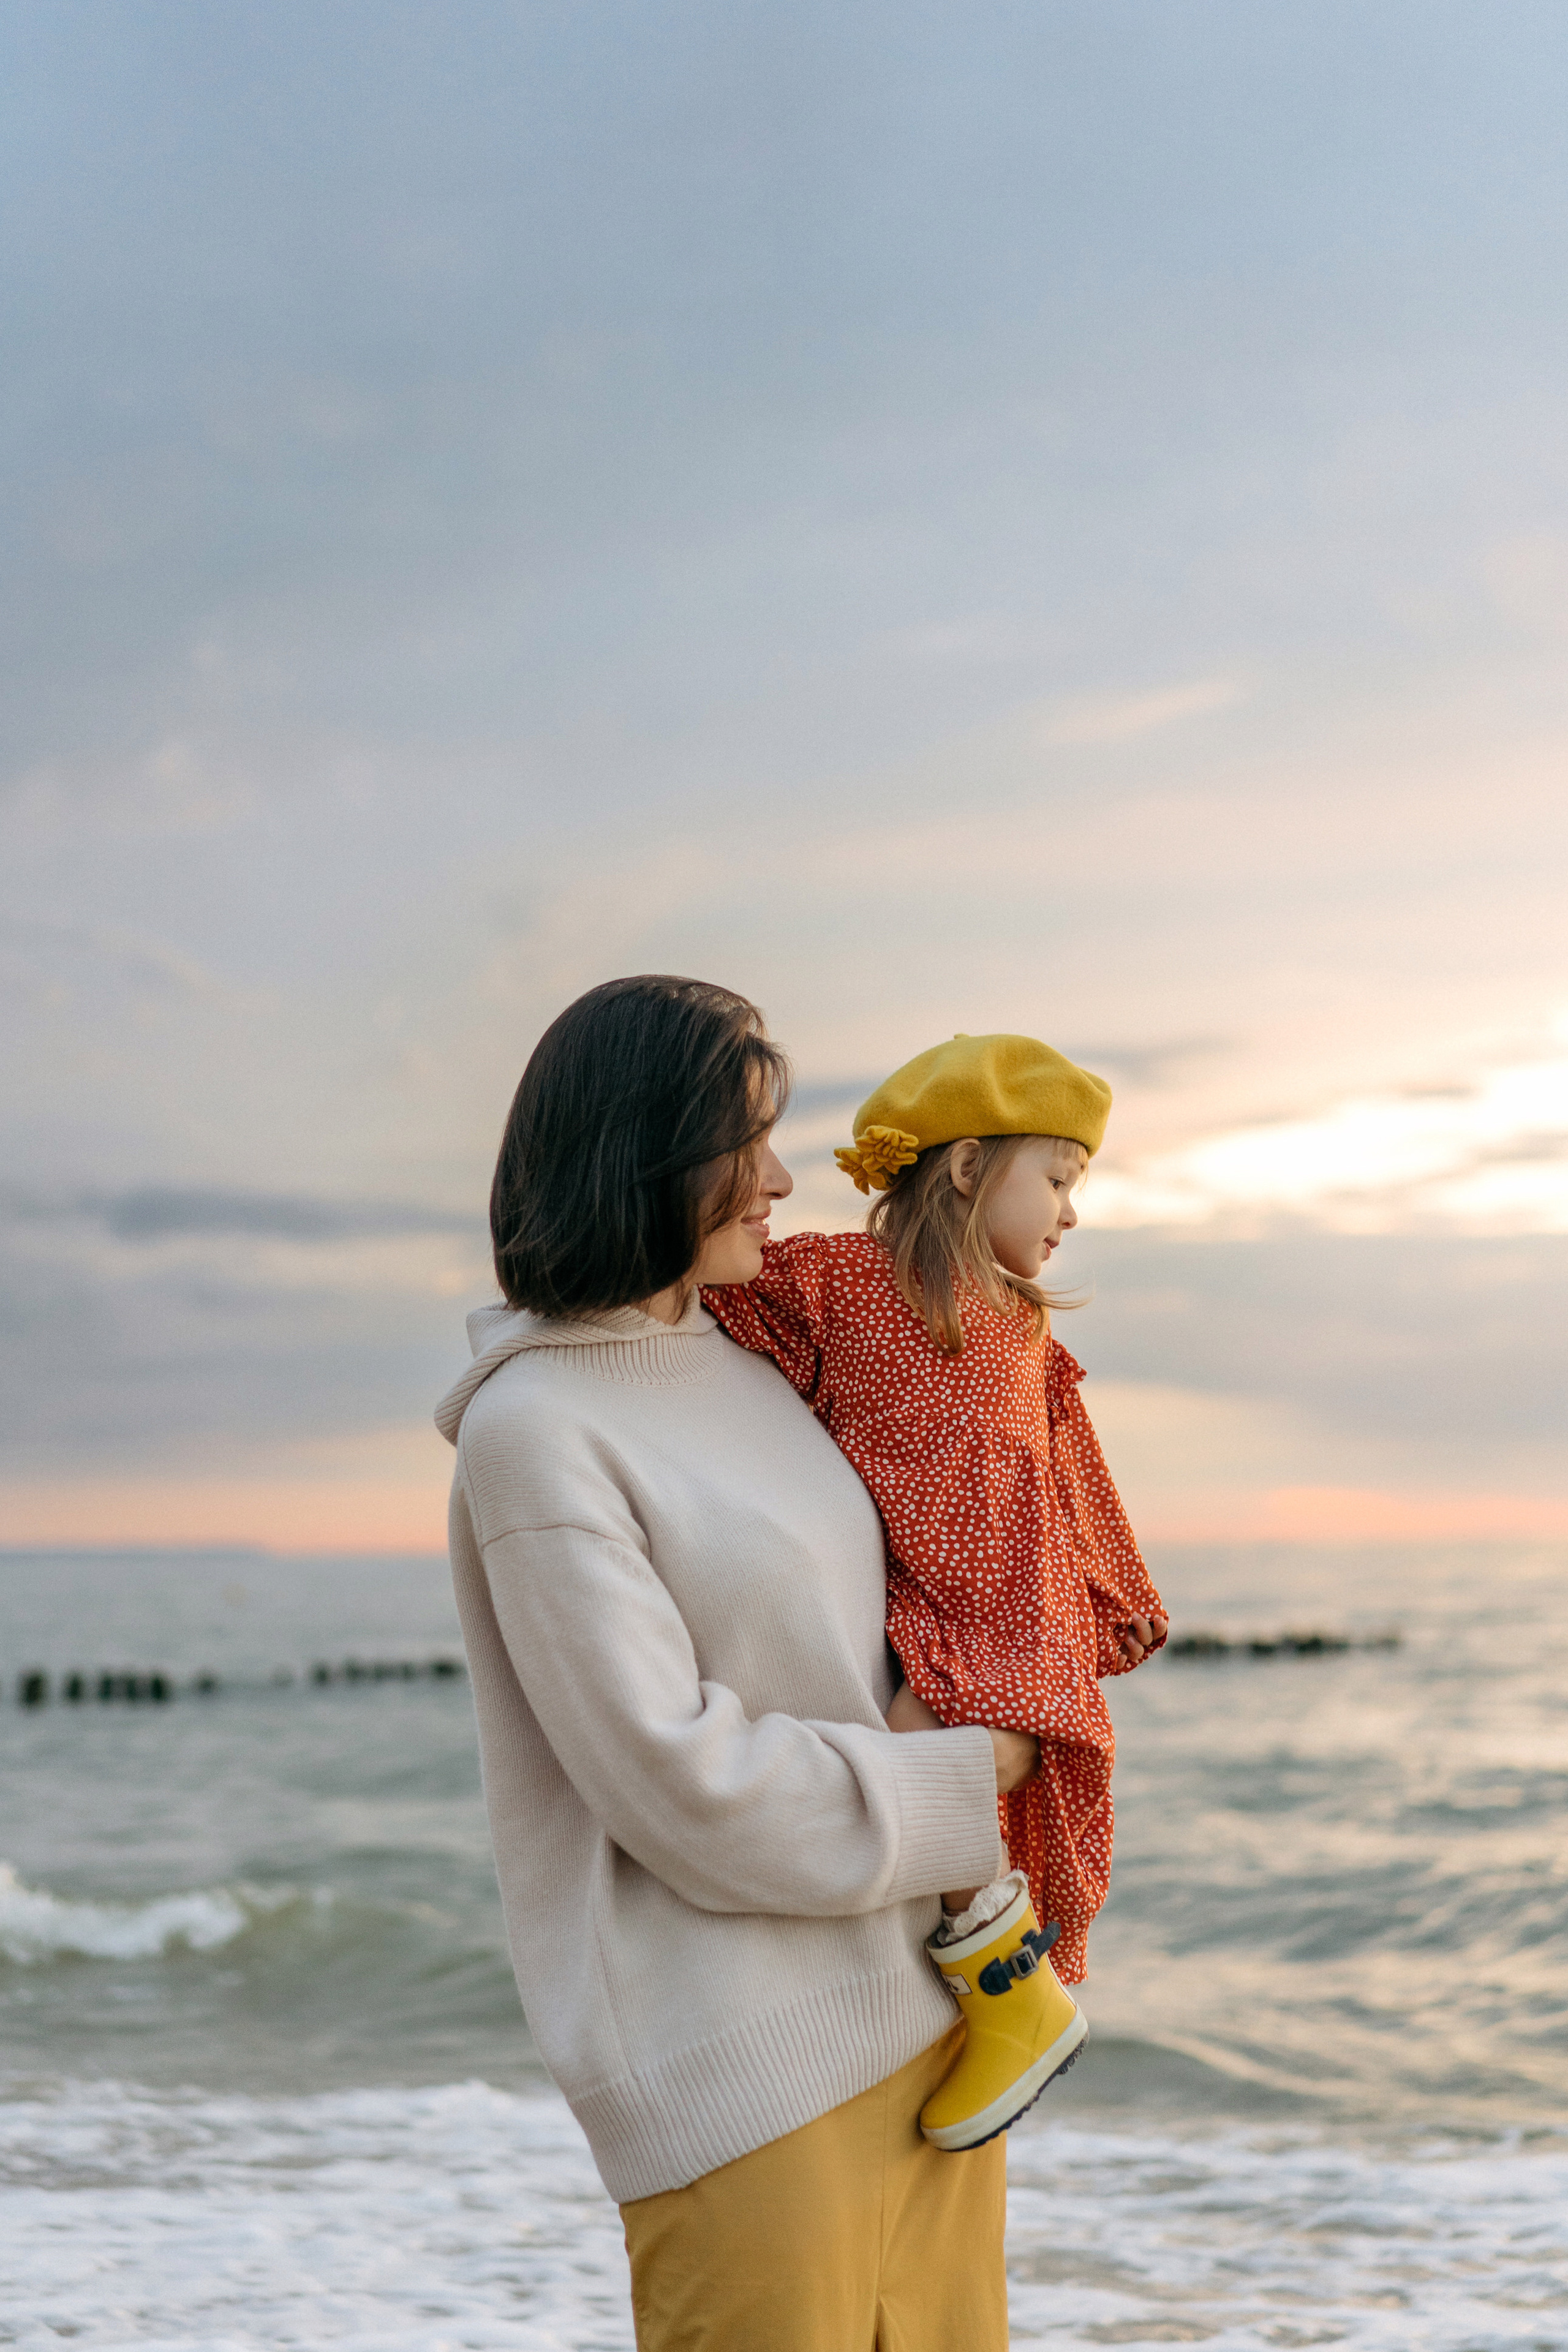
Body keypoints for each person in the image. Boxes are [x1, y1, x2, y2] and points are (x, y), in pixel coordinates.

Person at [435, 976, 1031, 2352]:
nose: (778, 1176)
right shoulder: (535, 1428)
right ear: (638, 1155)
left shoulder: (755, 1363)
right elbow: (680, 1784)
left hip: (928, 2033)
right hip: (741, 2077)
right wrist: (967, 1776)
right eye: (742, 1142)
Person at [703, 1031, 1168, 2152]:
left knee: (915, 1777)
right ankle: (997, 2006)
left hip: (1007, 1618)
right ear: (965, 1167)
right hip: (940, 1614)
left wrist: (1111, 1594)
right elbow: (703, 1306)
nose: (1071, 1211)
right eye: (1056, 1178)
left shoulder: (1026, 1323)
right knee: (917, 1791)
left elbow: (1064, 1472)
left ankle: (1012, 2004)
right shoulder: (843, 1280)